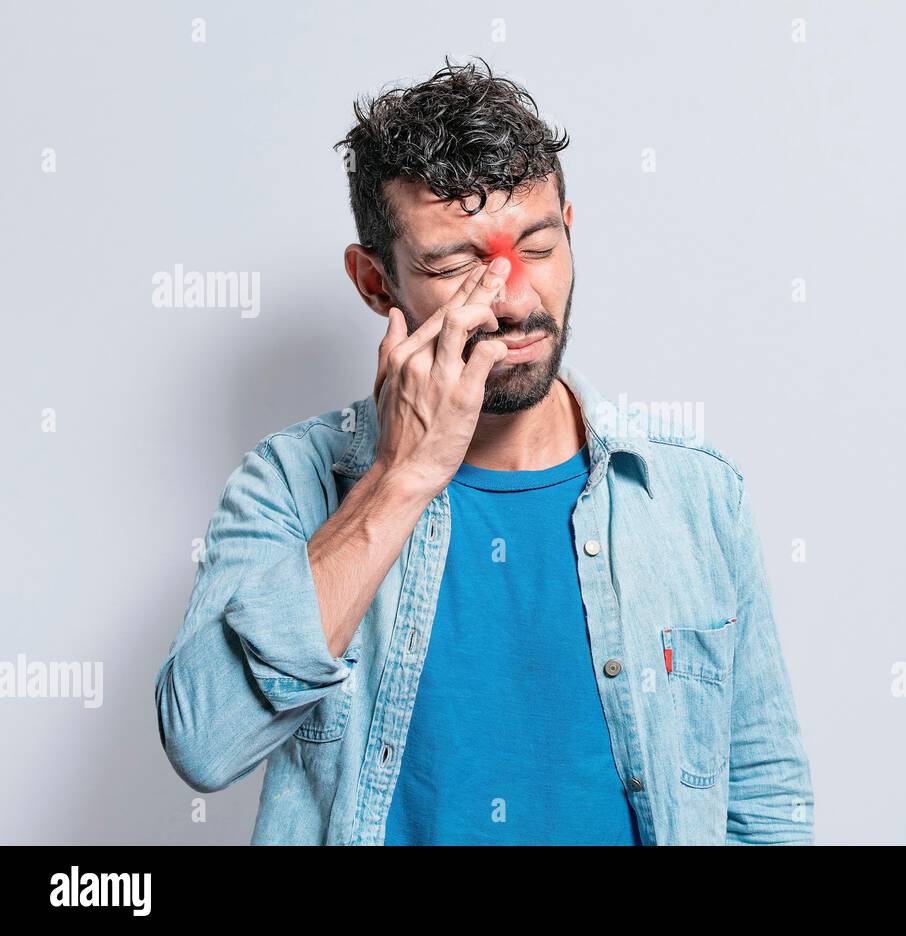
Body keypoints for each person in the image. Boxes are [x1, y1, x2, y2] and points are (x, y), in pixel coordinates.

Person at [154, 56, 813, 845]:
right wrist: (402, 479)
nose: (513, 298)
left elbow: (764, 804)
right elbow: (203, 742)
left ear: (570, 232)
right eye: (457, 263)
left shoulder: (693, 494)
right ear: (374, 284)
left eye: (536, 246)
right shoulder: (291, 484)